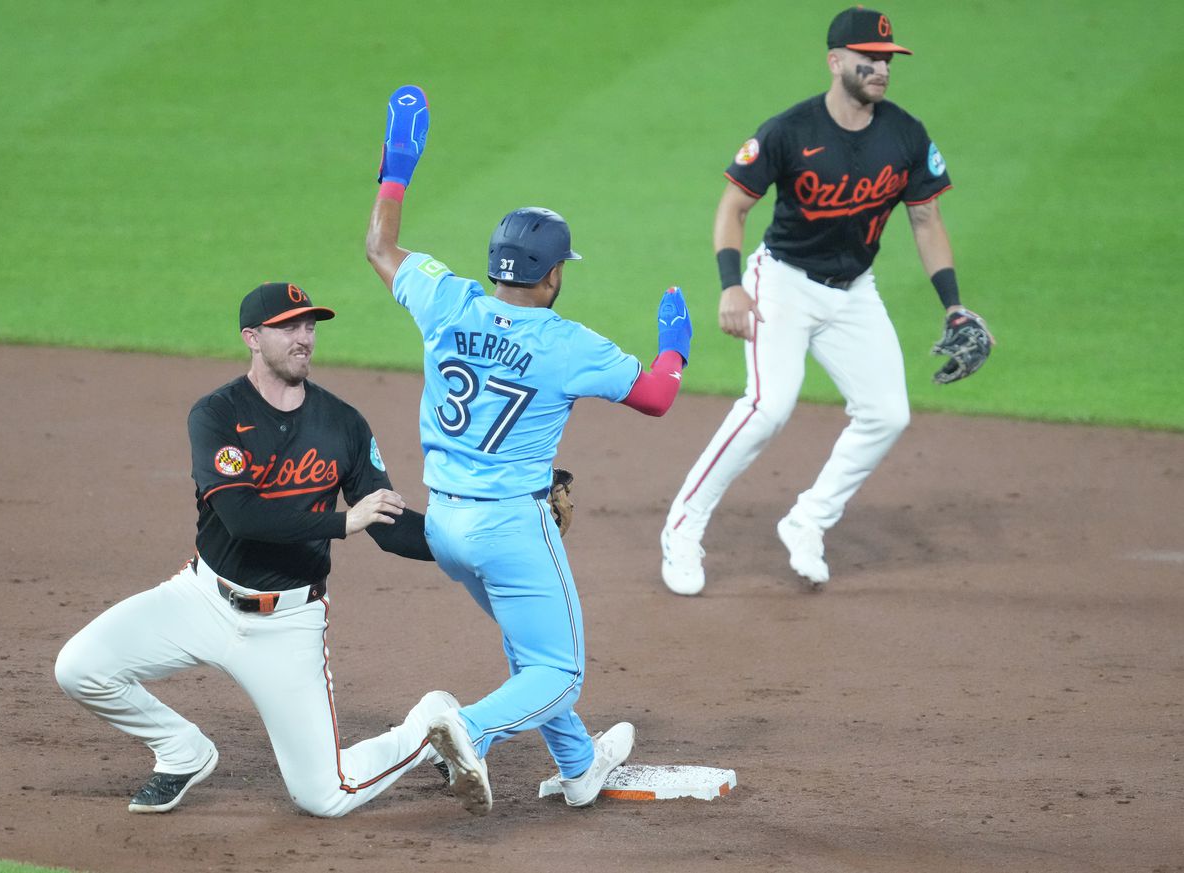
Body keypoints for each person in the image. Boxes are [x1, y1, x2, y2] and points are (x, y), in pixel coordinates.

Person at [364, 85, 693, 815]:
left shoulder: (446, 300)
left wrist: (400, 162)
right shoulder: (568, 344)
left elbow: (380, 247)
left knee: (528, 640)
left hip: (443, 525)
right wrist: (674, 348)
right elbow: (658, 397)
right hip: (512, 525)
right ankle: (470, 729)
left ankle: (579, 766)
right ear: (550, 275)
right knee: (560, 669)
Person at [54, 281, 457, 817]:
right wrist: (341, 522)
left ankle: (426, 728)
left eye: (309, 326)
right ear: (252, 337)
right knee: (80, 667)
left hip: (288, 625)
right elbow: (242, 517)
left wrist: (476, 541)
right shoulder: (217, 415)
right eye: (288, 327)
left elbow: (387, 526)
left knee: (324, 797)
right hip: (202, 599)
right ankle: (182, 750)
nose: (304, 338)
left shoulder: (343, 424)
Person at [660, 7, 991, 596]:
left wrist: (954, 305)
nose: (881, 68)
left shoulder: (905, 134)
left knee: (888, 412)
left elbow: (926, 219)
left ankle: (808, 519)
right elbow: (733, 207)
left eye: (887, 59)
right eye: (869, 58)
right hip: (782, 282)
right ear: (836, 61)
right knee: (768, 407)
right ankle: (683, 528)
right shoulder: (790, 131)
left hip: (854, 292)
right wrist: (731, 283)